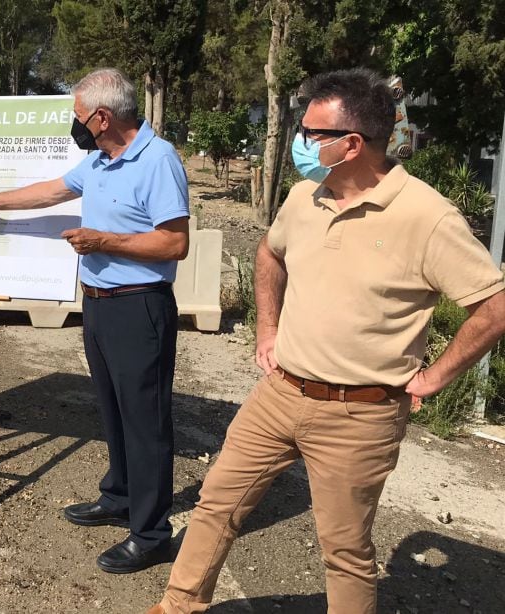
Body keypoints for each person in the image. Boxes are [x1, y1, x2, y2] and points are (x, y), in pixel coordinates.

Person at [147, 68, 505, 613]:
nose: (302, 141)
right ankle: (178, 606)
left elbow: (495, 304)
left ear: (352, 143)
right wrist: (267, 330)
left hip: (359, 415)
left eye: (313, 133)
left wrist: (436, 376)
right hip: (279, 395)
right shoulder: (303, 198)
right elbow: (270, 251)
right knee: (215, 506)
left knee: (345, 552)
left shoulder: (427, 216)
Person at [0, 67, 190, 573]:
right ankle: (120, 495)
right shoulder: (100, 160)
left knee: (146, 420)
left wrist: (104, 241)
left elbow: (175, 242)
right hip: (100, 303)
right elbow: (51, 191)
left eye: (79, 117)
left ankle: (151, 532)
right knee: (112, 408)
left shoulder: (159, 160)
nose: (77, 125)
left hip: (139, 306)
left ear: (103, 117)